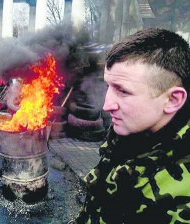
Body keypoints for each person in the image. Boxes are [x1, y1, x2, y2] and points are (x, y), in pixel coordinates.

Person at [72, 28, 190, 223]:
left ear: (173, 100)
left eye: (123, 91)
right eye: (108, 85)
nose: (107, 105)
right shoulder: (128, 134)